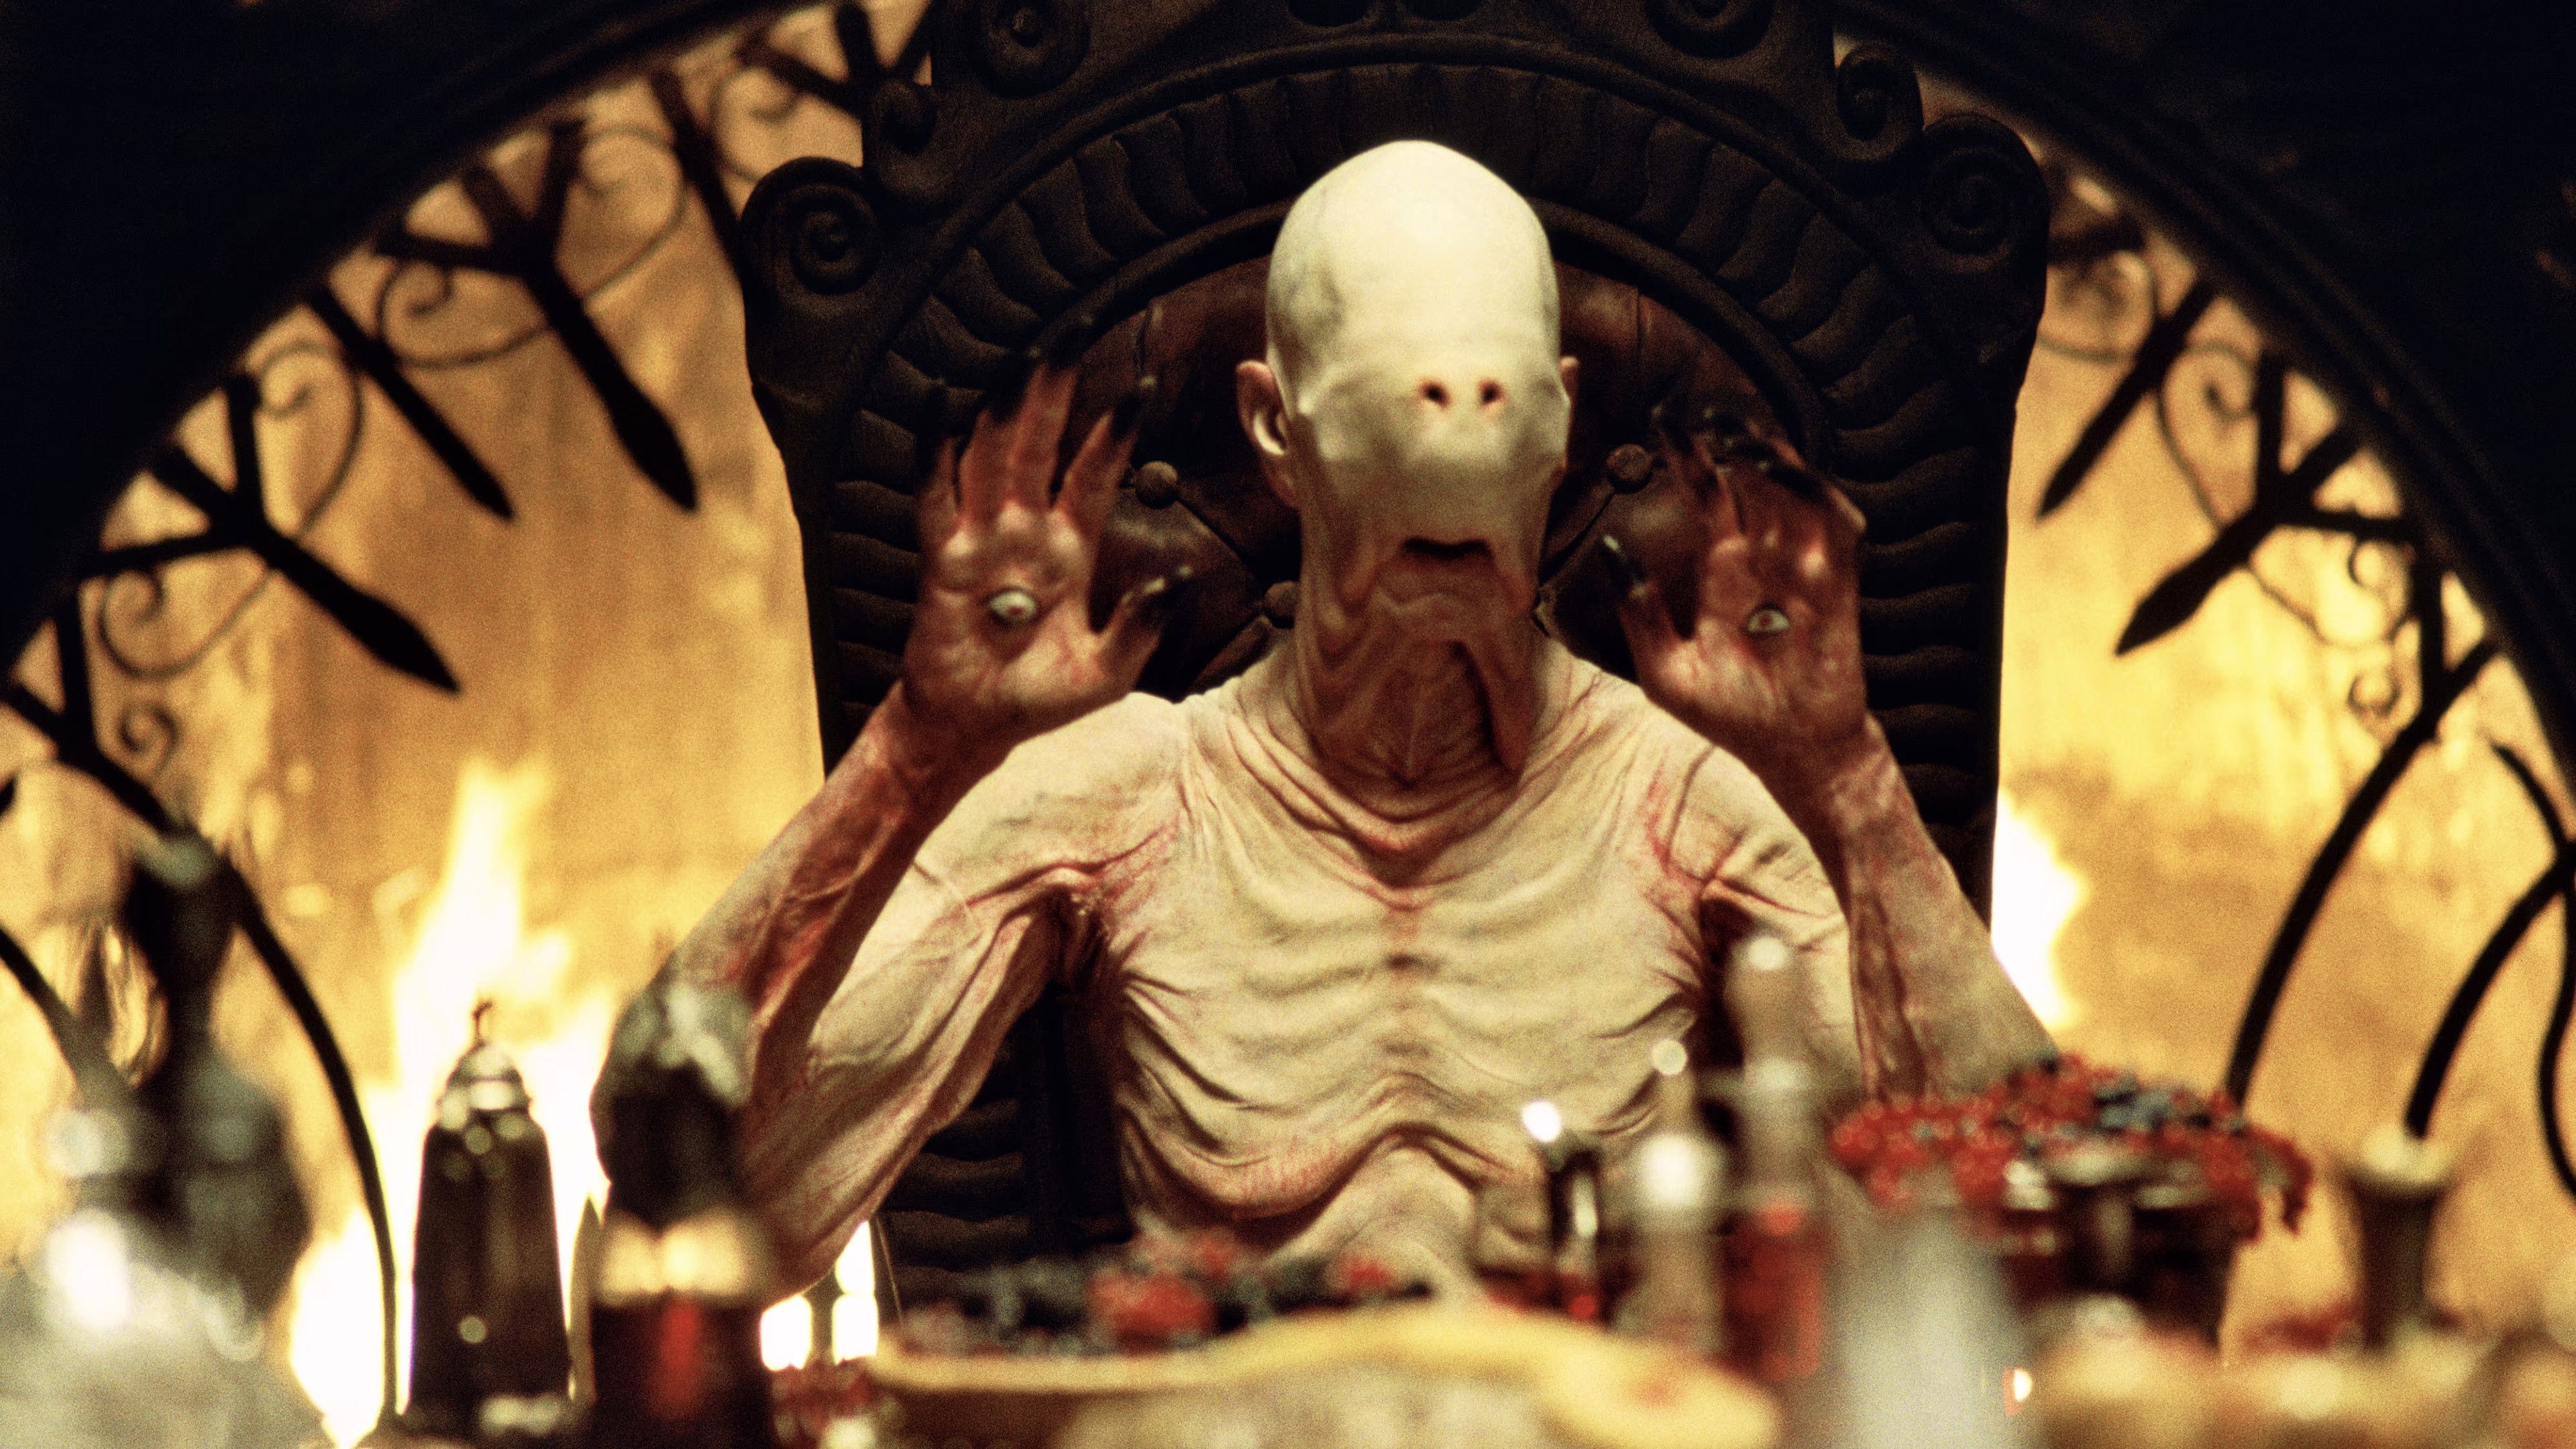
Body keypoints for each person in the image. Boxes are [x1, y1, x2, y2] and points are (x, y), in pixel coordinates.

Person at [639, 140, 2051, 1295]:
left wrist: (1848, 780)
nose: (1455, 414)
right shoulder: (1133, 795)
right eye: (1404, 388)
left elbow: (2018, 1229)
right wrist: (916, 751)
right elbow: (697, 1196)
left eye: (1495, 391)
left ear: (1559, 423)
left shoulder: (1677, 792)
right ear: (1276, 428)